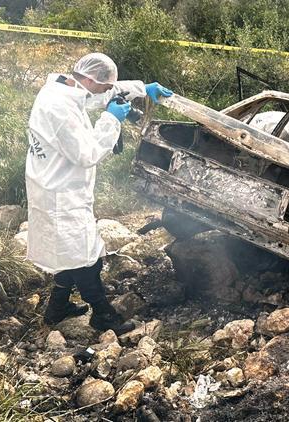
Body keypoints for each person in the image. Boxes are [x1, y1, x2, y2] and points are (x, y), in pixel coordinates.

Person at [25, 52, 173, 335]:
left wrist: (143, 89)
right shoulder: (59, 108)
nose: (107, 92)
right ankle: (103, 314)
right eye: (105, 87)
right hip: (60, 192)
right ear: (91, 80)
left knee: (67, 251)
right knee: (85, 256)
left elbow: (101, 93)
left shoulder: (65, 88)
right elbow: (87, 153)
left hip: (55, 184)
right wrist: (110, 121)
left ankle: (57, 308)